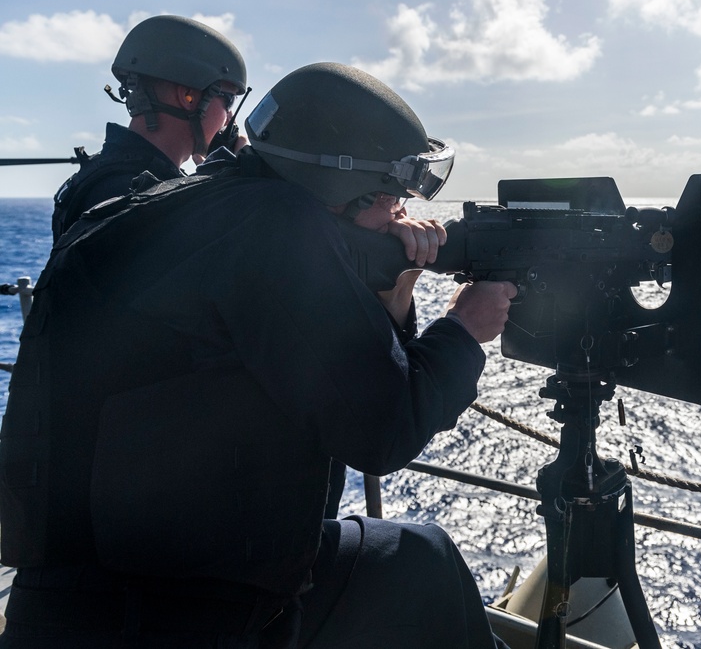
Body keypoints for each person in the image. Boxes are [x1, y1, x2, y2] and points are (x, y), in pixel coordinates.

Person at [0, 62, 516, 648]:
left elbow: (351, 379)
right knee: (422, 566)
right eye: (394, 196)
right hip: (165, 611)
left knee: (417, 559)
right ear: (340, 193)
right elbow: (384, 432)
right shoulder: (278, 230)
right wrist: (464, 329)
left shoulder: (204, 205)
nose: (402, 213)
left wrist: (396, 288)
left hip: (101, 584)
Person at [50, 14, 248, 241]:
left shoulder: (106, 177)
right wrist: (238, 188)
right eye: (228, 100)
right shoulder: (143, 199)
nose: (228, 117)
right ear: (188, 96)